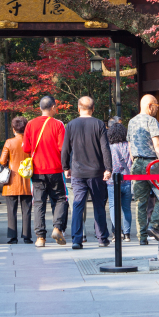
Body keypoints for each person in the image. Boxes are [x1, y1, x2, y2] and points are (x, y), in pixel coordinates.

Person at [61, 96, 112, 249]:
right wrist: (108, 168)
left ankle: (77, 239)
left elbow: (65, 149)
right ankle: (102, 237)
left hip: (78, 171)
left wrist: (65, 167)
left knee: (77, 205)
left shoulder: (70, 125)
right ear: (93, 108)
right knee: (98, 205)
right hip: (97, 171)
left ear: (78, 108)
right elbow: (105, 148)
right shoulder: (99, 124)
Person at [23, 95, 69, 247]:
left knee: (38, 202)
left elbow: (26, 148)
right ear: (53, 107)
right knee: (60, 199)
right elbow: (63, 148)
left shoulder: (30, 124)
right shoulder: (58, 125)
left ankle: (40, 238)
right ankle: (57, 227)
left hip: (37, 170)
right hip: (55, 169)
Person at [127, 94, 159, 244]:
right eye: (156, 106)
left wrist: (134, 163)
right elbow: (157, 145)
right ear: (149, 106)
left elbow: (130, 146)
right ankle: (154, 225)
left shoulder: (131, 122)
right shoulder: (151, 121)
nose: (156, 109)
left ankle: (142, 238)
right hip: (152, 164)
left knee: (140, 202)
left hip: (136, 163)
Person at [0, 117, 33, 244]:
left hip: (11, 181)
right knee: (27, 209)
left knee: (11, 210)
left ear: (13, 129)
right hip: (26, 179)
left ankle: (13, 237)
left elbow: (2, 161)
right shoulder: (30, 141)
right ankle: (27, 236)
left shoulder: (9, 142)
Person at [107, 122, 133, 242]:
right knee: (127, 208)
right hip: (127, 180)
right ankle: (127, 234)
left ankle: (118, 233)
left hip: (113, 180)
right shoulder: (129, 146)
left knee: (113, 207)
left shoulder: (110, 147)